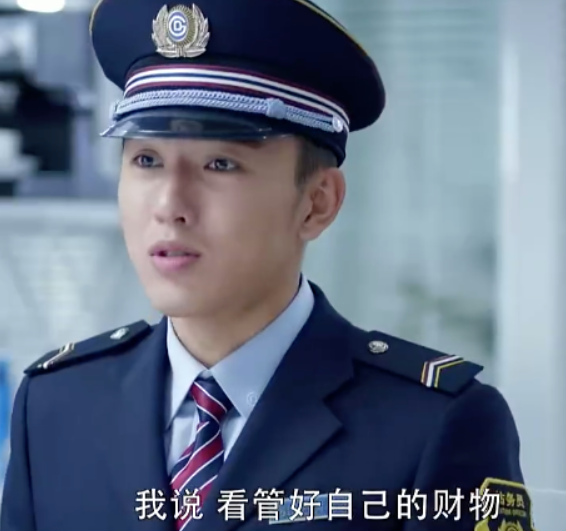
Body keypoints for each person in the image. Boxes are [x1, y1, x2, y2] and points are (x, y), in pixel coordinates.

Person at [1, 0, 536, 530]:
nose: (169, 205)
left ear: (317, 203)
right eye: (146, 160)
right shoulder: (56, 406)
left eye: (220, 164)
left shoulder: (431, 425)